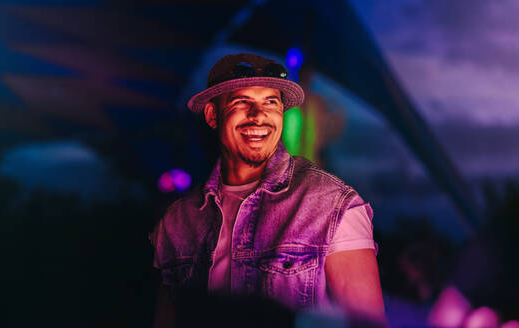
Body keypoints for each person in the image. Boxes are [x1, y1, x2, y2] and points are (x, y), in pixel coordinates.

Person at [150, 53, 385, 326]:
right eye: (242, 101)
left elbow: (368, 324)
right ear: (213, 115)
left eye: (271, 102)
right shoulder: (177, 220)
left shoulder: (334, 205)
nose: (259, 115)